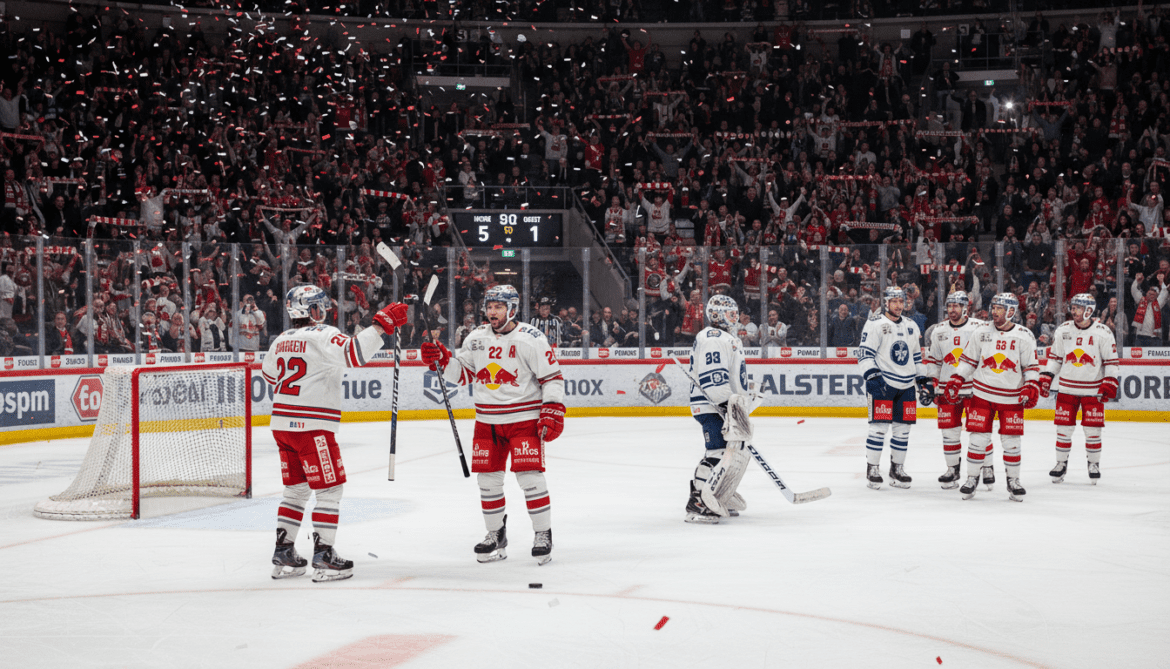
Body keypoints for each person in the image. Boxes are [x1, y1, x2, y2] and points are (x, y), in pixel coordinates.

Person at [262, 285, 408, 582]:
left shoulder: (280, 340)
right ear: (311, 310)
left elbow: (269, 374)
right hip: (312, 426)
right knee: (329, 489)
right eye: (319, 306)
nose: (324, 311)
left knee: (296, 490)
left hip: (282, 425)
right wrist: (380, 326)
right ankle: (324, 555)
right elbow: (354, 354)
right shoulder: (323, 334)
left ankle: (284, 550)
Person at [421, 285, 566, 565]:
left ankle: (542, 534)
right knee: (487, 482)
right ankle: (495, 534)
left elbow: (552, 378)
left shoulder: (531, 338)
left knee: (530, 478)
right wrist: (442, 359)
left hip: (523, 420)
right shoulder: (476, 338)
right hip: (486, 421)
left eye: (498, 307)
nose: (492, 312)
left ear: (512, 308)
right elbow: (463, 374)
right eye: (489, 307)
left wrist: (551, 409)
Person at [942, 294, 1040, 501]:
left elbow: (1031, 367)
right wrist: (958, 377)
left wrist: (1031, 385)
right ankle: (971, 478)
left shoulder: (1024, 336)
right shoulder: (982, 332)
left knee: (1011, 441)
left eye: (999, 309)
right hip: (982, 394)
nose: (994, 312)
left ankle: (1013, 480)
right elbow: (968, 360)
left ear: (1011, 311)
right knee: (977, 438)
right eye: (993, 307)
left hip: (1011, 398)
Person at [1038, 294, 1120, 485]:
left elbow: (1111, 362)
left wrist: (1110, 381)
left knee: (1093, 430)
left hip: (1093, 390)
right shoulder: (1063, 330)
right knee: (1063, 430)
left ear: (1089, 310)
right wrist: (1047, 376)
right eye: (1073, 307)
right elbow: (1056, 358)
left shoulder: (1103, 332)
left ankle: (1093, 464)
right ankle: (1060, 463)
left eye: (1077, 308)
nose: (1073, 311)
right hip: (1066, 389)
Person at [684, 294, 752, 524]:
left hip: (722, 403)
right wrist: (727, 403)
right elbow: (714, 379)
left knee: (730, 454)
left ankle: (718, 493)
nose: (735, 317)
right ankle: (697, 502)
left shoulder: (725, 337)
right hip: (712, 404)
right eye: (731, 313)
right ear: (717, 315)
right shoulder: (714, 337)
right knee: (718, 452)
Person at [857, 287, 930, 490]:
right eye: (894, 301)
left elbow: (916, 356)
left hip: (906, 386)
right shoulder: (875, 324)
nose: (899, 305)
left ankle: (897, 468)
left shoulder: (911, 325)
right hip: (883, 384)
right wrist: (871, 375)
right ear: (886, 303)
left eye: (901, 301)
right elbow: (864, 353)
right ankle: (872, 468)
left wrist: (922, 380)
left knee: (902, 431)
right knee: (878, 429)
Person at [923, 292, 988, 489]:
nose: (952, 310)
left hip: (975, 388)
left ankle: (986, 468)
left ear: (965, 308)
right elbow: (933, 361)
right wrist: (933, 385)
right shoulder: (938, 330)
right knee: (949, 433)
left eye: (956, 306)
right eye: (949, 306)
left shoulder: (979, 328)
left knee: (979, 430)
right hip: (946, 390)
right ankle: (952, 469)